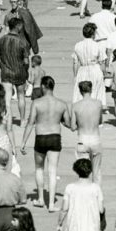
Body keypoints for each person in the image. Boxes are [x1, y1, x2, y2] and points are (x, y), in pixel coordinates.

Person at [20, 76, 70, 212]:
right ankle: (52, 205)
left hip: (40, 137)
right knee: (53, 170)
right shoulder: (61, 104)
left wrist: (23, 142)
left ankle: (41, 199)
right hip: (55, 136)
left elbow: (30, 123)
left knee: (39, 169)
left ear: (42, 86)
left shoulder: (36, 103)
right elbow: (68, 123)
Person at [57, 158, 104, 231]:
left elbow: (64, 209)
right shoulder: (96, 188)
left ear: (76, 170)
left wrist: (59, 223)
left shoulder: (70, 188)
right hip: (91, 225)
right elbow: (101, 209)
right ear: (90, 171)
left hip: (74, 224)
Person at [0, 17, 31, 126]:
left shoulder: (2, 39)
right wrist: (26, 71)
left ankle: (6, 119)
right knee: (21, 96)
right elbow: (26, 60)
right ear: (18, 26)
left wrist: (3, 67)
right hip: (19, 71)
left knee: (7, 98)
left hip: (6, 72)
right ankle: (22, 120)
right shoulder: (21, 41)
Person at [71, 81, 104, 186]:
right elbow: (100, 121)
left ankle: (83, 194)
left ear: (80, 91)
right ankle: (96, 195)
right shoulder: (98, 103)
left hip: (82, 139)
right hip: (95, 138)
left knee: (83, 171)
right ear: (91, 89)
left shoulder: (75, 106)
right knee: (97, 170)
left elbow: (73, 127)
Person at [72, 23, 107, 106]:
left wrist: (75, 75)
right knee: (96, 91)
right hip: (95, 69)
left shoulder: (78, 45)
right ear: (93, 34)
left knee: (81, 93)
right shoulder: (97, 46)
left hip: (82, 69)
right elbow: (102, 62)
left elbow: (75, 62)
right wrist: (104, 74)